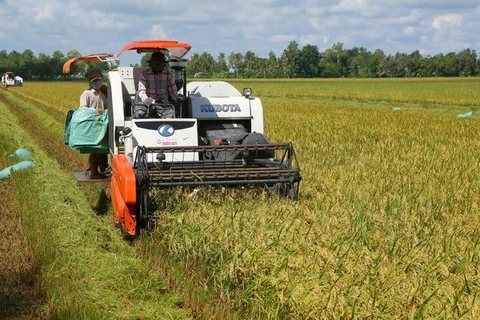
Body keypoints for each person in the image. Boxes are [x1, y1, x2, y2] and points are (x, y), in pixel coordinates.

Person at [79, 70, 109, 179]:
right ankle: (93, 173)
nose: (97, 82)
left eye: (98, 80)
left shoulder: (100, 94)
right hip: (91, 124)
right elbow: (82, 109)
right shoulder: (86, 93)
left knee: (99, 149)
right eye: (94, 81)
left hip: (100, 124)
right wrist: (96, 111)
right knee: (94, 149)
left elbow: (107, 106)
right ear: (90, 82)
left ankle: (94, 170)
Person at [136, 51, 177, 119]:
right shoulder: (144, 74)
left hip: (163, 102)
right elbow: (141, 90)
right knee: (139, 113)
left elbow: (173, 91)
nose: (157, 65)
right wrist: (146, 99)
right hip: (147, 101)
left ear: (163, 64)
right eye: (155, 63)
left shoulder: (168, 74)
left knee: (170, 116)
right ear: (151, 64)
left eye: (159, 63)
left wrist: (177, 99)